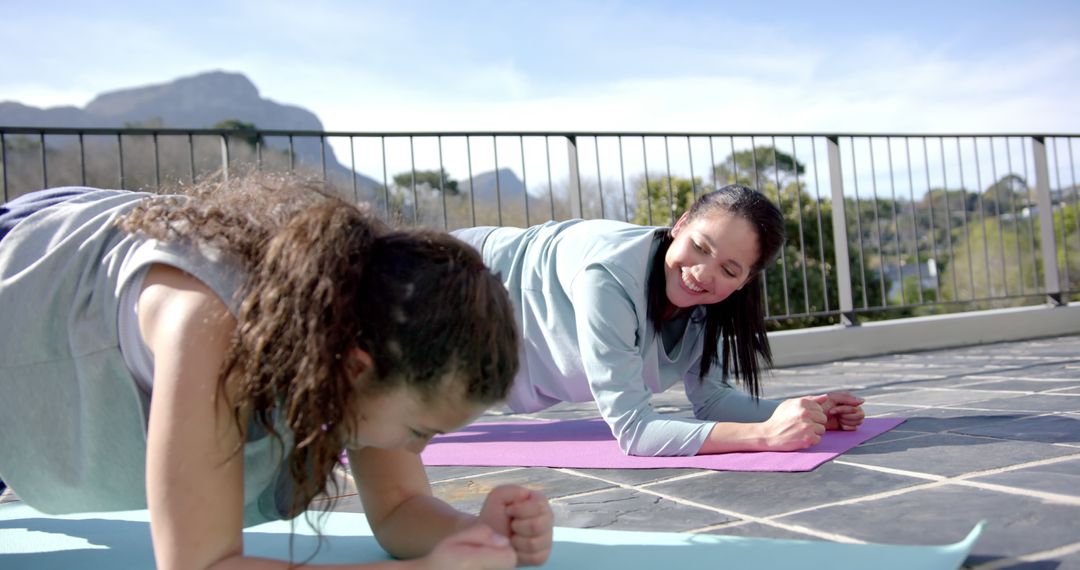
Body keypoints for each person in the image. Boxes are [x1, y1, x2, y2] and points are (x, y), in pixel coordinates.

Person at [0, 174, 553, 570]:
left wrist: (473, 534)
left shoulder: (361, 321)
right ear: (357, 369)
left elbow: (400, 510)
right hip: (28, 283)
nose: (418, 449)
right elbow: (199, 564)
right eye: (419, 431)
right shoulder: (214, 325)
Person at [452, 184, 865, 458]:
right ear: (680, 224)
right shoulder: (608, 276)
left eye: (729, 269)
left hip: (498, 350)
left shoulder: (710, 306)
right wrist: (765, 436)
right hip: (455, 282)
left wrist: (799, 412)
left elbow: (714, 400)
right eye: (700, 247)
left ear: (747, 281)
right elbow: (635, 432)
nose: (703, 274)